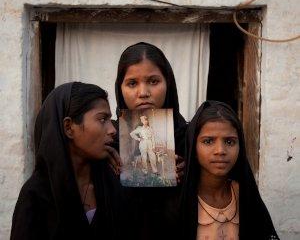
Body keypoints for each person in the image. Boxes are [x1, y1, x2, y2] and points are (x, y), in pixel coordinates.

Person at [11, 82, 125, 240]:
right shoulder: (36, 195)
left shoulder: (111, 182)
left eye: (110, 119)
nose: (112, 129)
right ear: (69, 127)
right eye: (102, 119)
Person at [115, 42, 187, 240]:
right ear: (120, 88)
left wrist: (190, 172)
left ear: (168, 83)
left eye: (153, 81)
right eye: (132, 83)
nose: (143, 92)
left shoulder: (190, 138)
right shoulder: (108, 140)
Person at [181, 100, 279, 240]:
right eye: (208, 141)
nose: (220, 151)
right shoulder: (178, 201)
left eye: (229, 142)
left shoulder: (246, 196)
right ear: (193, 147)